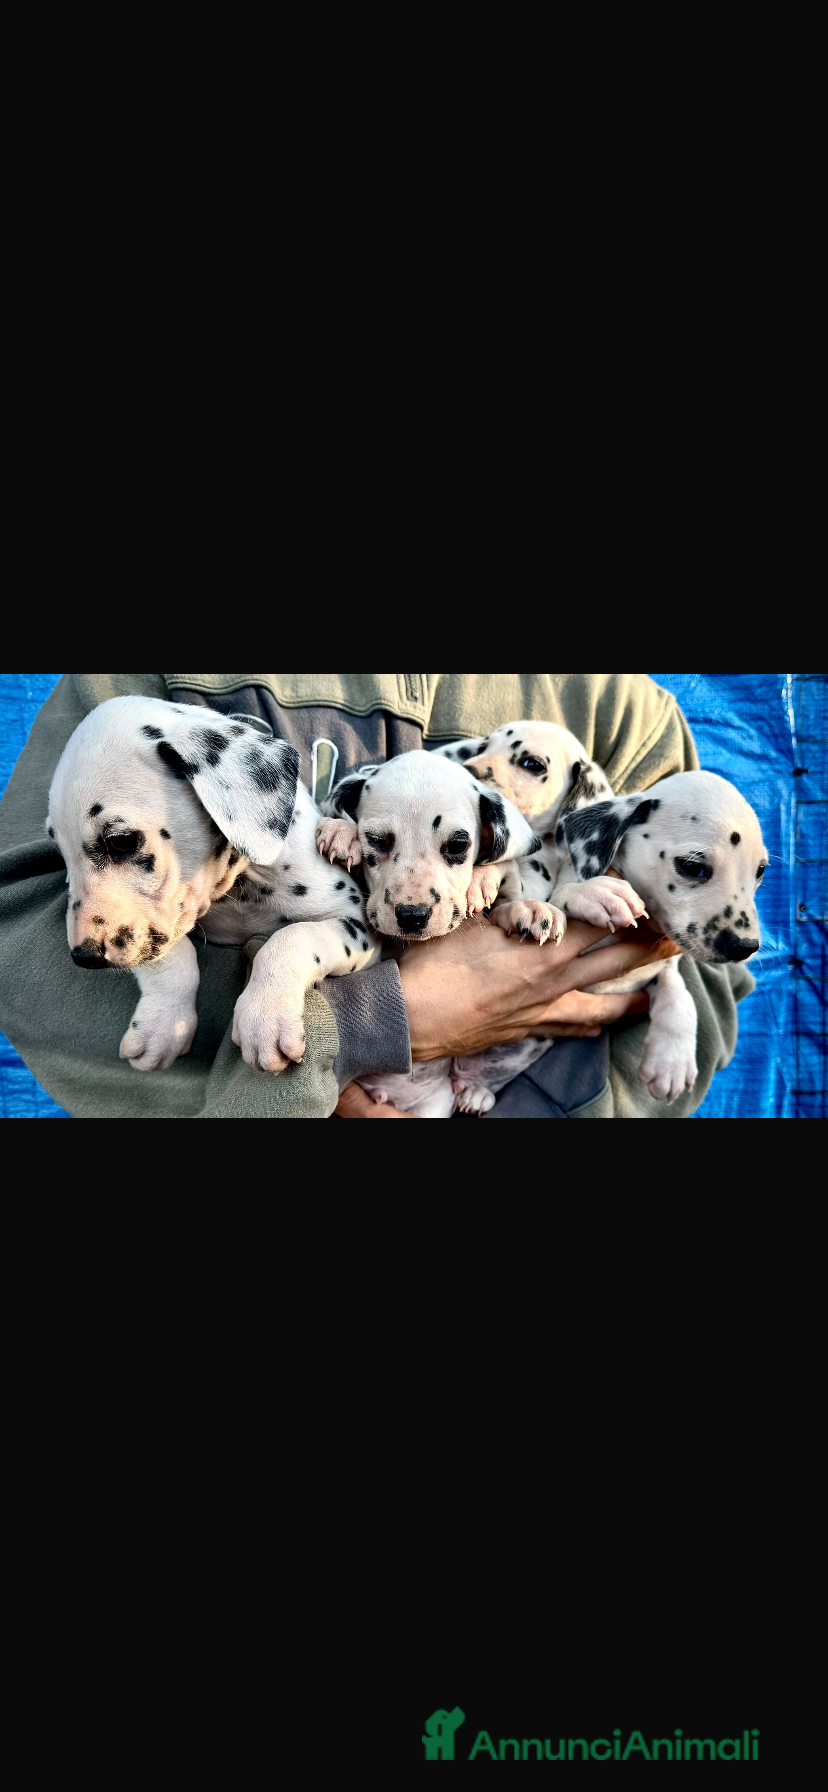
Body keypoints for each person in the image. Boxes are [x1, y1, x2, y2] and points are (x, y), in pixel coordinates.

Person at [0, 673, 755, 1120]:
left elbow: (697, 981)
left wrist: (479, 1082)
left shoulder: (615, 709)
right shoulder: (132, 693)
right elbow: (30, 966)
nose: (496, 775)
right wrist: (366, 1029)